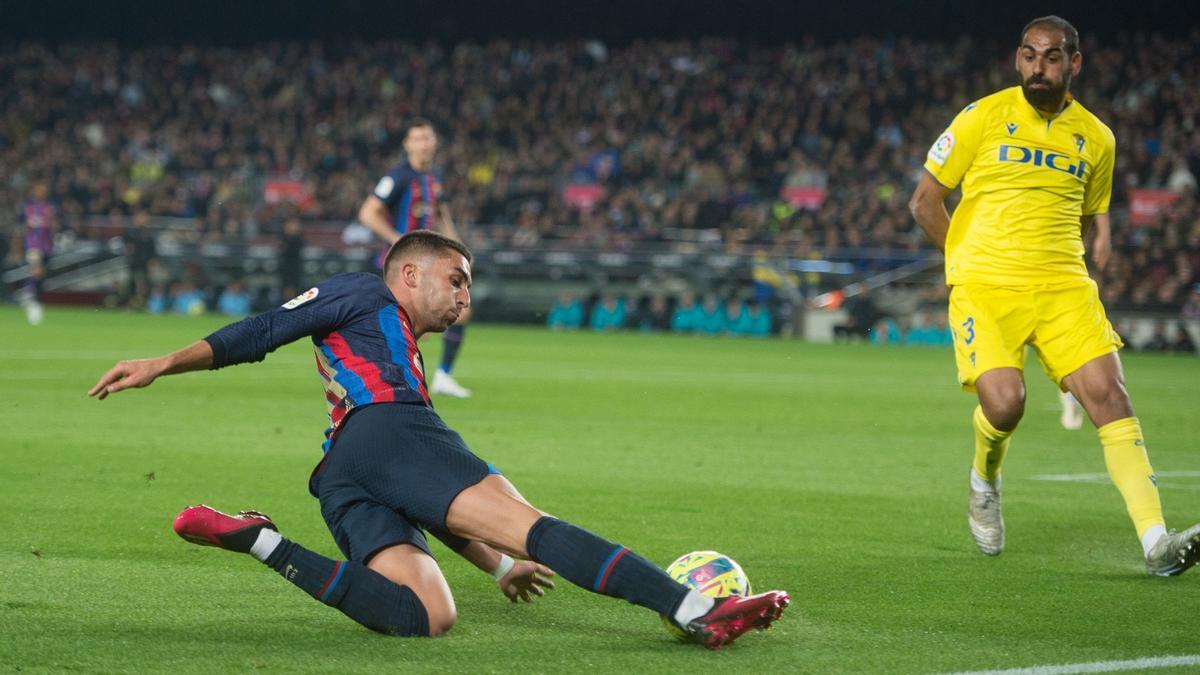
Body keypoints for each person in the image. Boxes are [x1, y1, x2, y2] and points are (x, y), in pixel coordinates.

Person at [87, 230, 788, 647]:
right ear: (410, 273)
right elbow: (262, 331)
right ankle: (698, 608)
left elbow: (432, 501)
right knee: (533, 525)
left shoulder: (398, 350)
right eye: (457, 279)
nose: (465, 296)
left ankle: (260, 539)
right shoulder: (366, 294)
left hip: (343, 475)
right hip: (387, 431)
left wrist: (496, 568)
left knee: (425, 614)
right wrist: (161, 364)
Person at [908, 15, 1200, 575]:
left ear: (1074, 63)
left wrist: (1100, 248)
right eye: (1028, 55)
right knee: (1005, 404)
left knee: (1111, 398)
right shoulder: (982, 117)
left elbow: (1094, 213)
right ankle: (984, 479)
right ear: (1018, 58)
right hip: (987, 289)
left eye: (1050, 57)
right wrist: (964, 262)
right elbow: (925, 201)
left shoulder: (1097, 137)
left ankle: (1157, 542)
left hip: (1064, 288)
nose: (1037, 67)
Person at [358, 118, 472, 398]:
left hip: (429, 264)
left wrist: (459, 251)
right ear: (407, 145)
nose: (424, 144)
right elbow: (367, 213)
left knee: (461, 312)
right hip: (401, 266)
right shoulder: (397, 177)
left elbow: (442, 215)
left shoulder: (435, 179)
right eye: (418, 138)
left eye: (429, 138)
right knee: (397, 323)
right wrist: (397, 239)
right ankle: (382, 376)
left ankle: (442, 376)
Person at [1059, 211, 1110, 430]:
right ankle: (1070, 396)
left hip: (1075, 285)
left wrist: (1104, 234)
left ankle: (1071, 396)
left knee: (1076, 353)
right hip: (1062, 278)